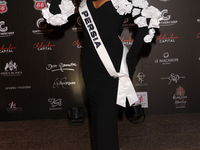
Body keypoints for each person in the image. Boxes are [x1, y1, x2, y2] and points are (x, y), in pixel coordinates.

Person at [42, 0, 162, 149]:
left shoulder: (121, 1)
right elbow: (53, 15)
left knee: (105, 119)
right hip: (90, 66)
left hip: (113, 67)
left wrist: (131, 56)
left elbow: (150, 17)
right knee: (98, 118)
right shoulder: (84, 2)